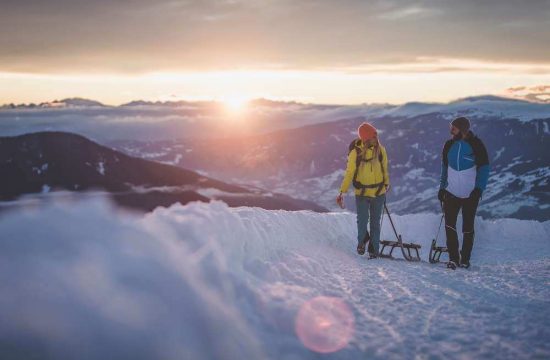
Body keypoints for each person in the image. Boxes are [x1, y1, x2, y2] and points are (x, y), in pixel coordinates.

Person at [438, 117, 489, 269]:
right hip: (451, 192)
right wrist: (442, 188)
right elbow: (444, 168)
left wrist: (479, 189)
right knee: (449, 226)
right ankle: (453, 259)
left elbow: (484, 168)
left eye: (454, 127)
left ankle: (465, 259)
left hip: (470, 193)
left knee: (467, 227)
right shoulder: (448, 145)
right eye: (451, 127)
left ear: (463, 129)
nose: (451, 130)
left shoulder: (476, 145)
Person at [337, 122, 390, 259]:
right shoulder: (356, 152)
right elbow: (349, 172)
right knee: (362, 220)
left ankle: (374, 250)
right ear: (366, 137)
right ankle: (362, 242)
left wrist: (386, 184)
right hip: (361, 193)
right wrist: (342, 191)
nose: (376, 138)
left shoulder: (381, 150)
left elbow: (385, 169)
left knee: (375, 222)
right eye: (374, 135)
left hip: (379, 193)